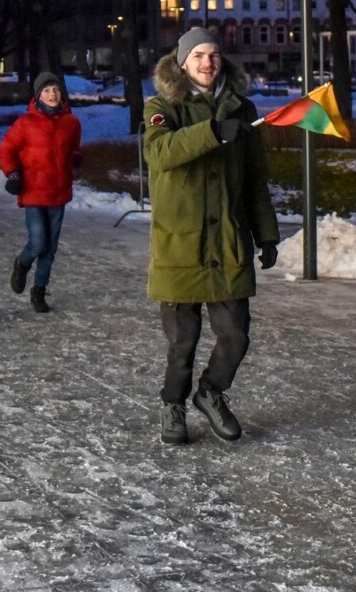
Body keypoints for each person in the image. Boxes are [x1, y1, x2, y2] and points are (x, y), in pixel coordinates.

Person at [143, 27, 280, 445]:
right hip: (181, 244)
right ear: (182, 62)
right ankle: (173, 403)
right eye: (199, 55)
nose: (208, 62)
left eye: (214, 54)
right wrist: (213, 132)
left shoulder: (242, 107)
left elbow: (254, 180)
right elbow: (159, 153)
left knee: (235, 335)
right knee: (183, 341)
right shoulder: (162, 106)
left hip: (228, 244)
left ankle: (211, 392)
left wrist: (266, 235)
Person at [0, 71, 83, 314]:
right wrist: (13, 174)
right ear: (38, 96)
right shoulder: (26, 123)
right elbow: (6, 150)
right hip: (33, 191)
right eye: (46, 90)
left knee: (50, 248)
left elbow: (74, 148)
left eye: (55, 89)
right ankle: (22, 263)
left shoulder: (71, 122)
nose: (52, 94)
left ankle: (39, 291)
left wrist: (75, 157)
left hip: (58, 192)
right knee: (38, 242)